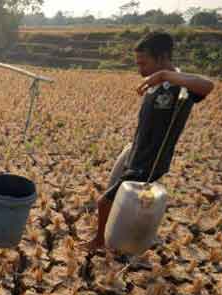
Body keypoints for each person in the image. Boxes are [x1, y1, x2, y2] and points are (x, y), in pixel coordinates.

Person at [82, 31, 214, 251]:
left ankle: (103, 242)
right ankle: (113, 238)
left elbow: (208, 85)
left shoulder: (180, 87)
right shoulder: (156, 84)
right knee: (113, 196)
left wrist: (164, 75)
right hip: (135, 151)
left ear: (162, 58)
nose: (139, 69)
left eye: (143, 63)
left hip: (150, 160)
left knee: (105, 202)